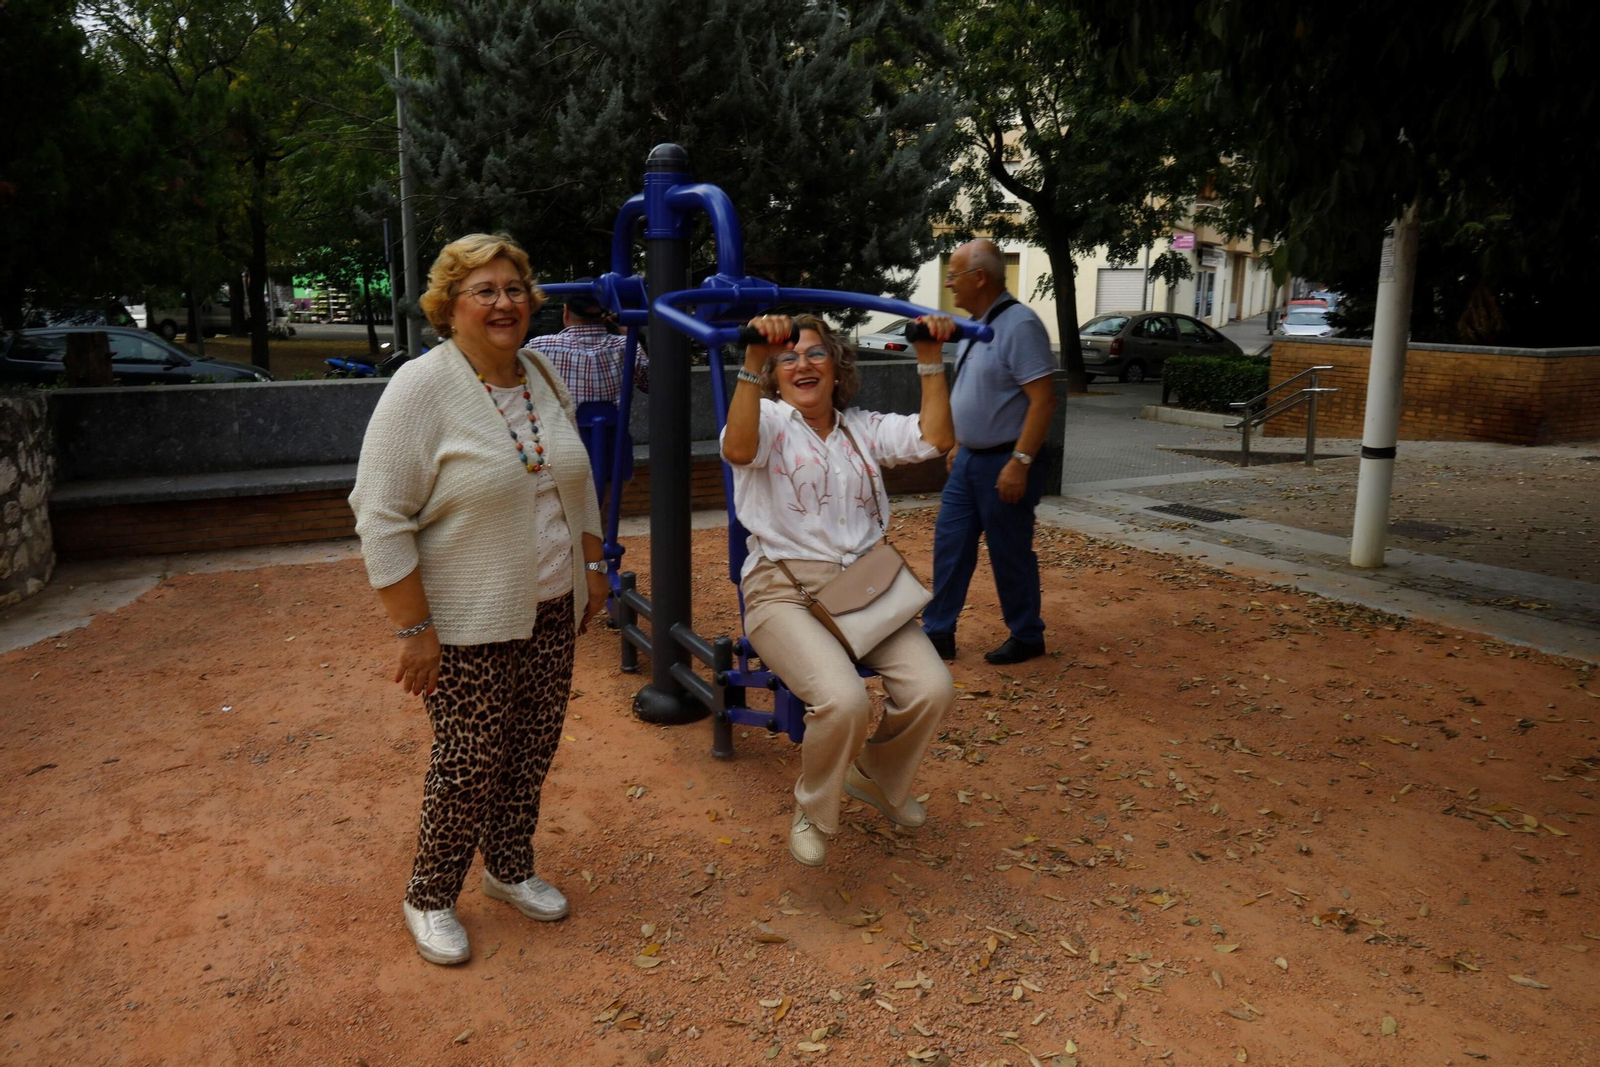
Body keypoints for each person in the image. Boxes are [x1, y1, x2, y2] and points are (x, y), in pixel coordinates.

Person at [349, 232, 608, 967]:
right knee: (469, 761)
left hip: (552, 603)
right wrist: (414, 630)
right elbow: (379, 513)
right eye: (484, 291)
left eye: (514, 289)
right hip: (468, 621)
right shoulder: (422, 386)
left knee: (532, 746)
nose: (504, 303)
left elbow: (574, 478)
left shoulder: (540, 371)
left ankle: (509, 867)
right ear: (449, 305)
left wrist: (594, 568)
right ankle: (429, 895)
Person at [722, 312, 958, 868]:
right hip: (782, 589)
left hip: (859, 590)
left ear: (836, 366)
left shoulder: (861, 428)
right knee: (843, 700)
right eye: (788, 357)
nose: (802, 364)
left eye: (816, 353)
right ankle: (814, 807)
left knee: (932, 687)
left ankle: (874, 776)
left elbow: (936, 438)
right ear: (775, 374)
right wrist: (754, 358)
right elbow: (738, 450)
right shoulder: (770, 421)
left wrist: (929, 357)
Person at [922, 239, 1058, 666]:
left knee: (1009, 551)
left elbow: (1043, 400)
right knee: (950, 545)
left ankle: (1027, 634)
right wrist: (961, 442)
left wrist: (1020, 462)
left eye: (953, 275)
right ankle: (938, 632)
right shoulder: (974, 325)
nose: (949, 284)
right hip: (969, 459)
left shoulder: (1019, 325)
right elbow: (977, 391)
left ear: (979, 277)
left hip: (1006, 459)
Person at [531, 286, 650, 404]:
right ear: (606, 316)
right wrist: (628, 330)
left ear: (566, 312)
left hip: (561, 417)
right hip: (613, 417)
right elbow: (649, 384)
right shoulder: (627, 346)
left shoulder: (539, 347)